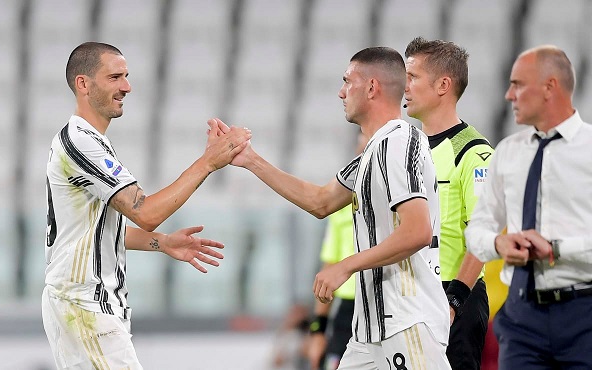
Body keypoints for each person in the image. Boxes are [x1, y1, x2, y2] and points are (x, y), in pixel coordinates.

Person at [217, 46, 450, 369]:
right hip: (369, 333)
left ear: (371, 87)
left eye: (347, 81)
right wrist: (250, 160)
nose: (341, 92)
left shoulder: (398, 141)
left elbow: (417, 231)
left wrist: (346, 265)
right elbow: (321, 201)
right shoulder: (371, 154)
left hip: (407, 322)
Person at [41, 42, 251, 369]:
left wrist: (162, 243)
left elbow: (96, 231)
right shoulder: (81, 143)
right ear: (83, 84)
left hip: (82, 306)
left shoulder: (88, 141)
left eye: (126, 76)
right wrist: (208, 162)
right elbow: (147, 213)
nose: (127, 86)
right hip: (84, 305)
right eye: (114, 77)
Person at [465, 45, 592, 369]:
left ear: (550, 86)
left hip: (584, 314)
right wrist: (498, 242)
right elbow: (477, 229)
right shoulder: (507, 152)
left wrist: (556, 249)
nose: (509, 95)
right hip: (522, 317)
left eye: (518, 84)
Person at [403, 37, 491, 370]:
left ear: (443, 84)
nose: (405, 87)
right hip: (410, 296)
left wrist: (453, 301)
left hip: (453, 294)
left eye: (413, 77)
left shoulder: (473, 152)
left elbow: (484, 235)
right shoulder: (404, 146)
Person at [306, 133, 367, 370]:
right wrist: (318, 329)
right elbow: (329, 267)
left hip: (386, 302)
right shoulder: (342, 207)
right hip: (348, 309)